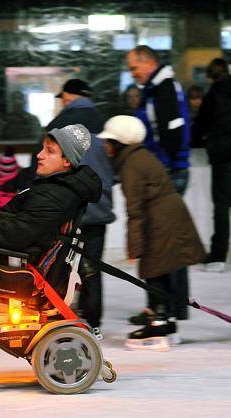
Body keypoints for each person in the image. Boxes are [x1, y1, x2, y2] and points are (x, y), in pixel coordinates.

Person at [98, 116, 205, 350]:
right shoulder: (140, 157)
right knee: (162, 270)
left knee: (154, 271)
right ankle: (166, 322)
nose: (105, 146)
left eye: (109, 141)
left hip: (159, 220)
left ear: (120, 143)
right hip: (168, 216)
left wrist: (134, 246)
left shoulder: (131, 165)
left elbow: (135, 210)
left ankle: (158, 324)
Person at [0, 124, 101, 264]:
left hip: (11, 265)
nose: (39, 155)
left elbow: (15, 236)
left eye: (49, 151)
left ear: (67, 161)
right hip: (4, 256)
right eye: (42, 148)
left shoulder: (55, 195)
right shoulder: (53, 186)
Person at [125, 45, 193, 322]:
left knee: (161, 243)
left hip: (167, 173)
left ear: (149, 63)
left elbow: (171, 134)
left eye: (134, 68)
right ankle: (163, 305)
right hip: (165, 170)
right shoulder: (155, 89)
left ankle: (167, 307)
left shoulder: (163, 89)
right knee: (163, 241)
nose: (133, 74)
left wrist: (160, 167)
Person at [45, 79, 115, 332]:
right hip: (99, 208)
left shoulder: (58, 125)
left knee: (57, 265)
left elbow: (43, 166)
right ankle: (93, 323)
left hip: (68, 210)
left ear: (68, 96)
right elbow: (113, 169)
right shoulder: (104, 123)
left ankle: (58, 317)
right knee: (92, 269)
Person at [192, 57, 231, 272]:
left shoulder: (214, 94)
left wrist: (193, 139)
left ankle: (218, 256)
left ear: (210, 77)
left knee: (221, 205)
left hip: (223, 155)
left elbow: (201, 123)